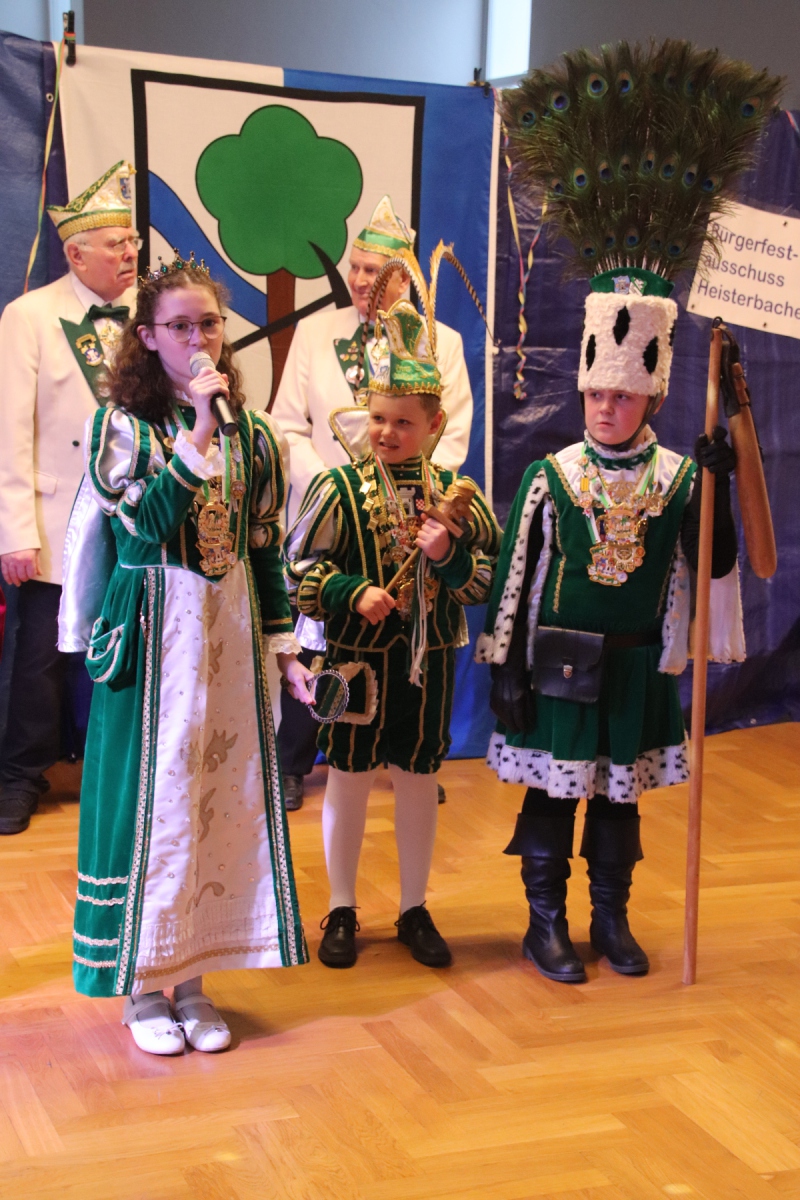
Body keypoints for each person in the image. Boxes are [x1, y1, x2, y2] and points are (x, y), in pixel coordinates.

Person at [479, 39, 778, 983]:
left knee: (619, 801)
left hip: (638, 664)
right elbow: (516, 583)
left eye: (625, 395)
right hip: (558, 664)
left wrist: (718, 483)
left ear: (652, 393)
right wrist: (506, 670)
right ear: (584, 389)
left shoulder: (680, 477)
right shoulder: (552, 475)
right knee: (551, 801)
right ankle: (545, 924)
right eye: (598, 393)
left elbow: (715, 563)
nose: (608, 407)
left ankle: (610, 919)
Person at [61, 254, 313, 1054]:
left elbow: (264, 547)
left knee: (218, 801)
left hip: (226, 635)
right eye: (180, 326)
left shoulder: (256, 435)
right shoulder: (124, 429)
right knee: (154, 802)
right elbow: (141, 530)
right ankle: (143, 990)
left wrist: (284, 649)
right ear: (147, 336)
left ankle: (196, 979)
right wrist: (198, 433)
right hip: (154, 633)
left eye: (209, 323)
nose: (199, 339)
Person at [284, 245, 500, 969]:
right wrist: (352, 592)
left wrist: (448, 556)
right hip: (354, 662)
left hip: (429, 666)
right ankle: (342, 907)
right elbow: (298, 573)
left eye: (403, 423)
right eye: (377, 419)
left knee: (417, 779)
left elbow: (484, 581)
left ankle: (412, 907)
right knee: (347, 778)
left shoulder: (457, 499)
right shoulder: (338, 489)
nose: (386, 433)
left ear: (433, 426)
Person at [272, 196, 474, 809]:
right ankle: (294, 759)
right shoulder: (315, 332)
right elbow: (287, 426)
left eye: (373, 271)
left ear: (403, 279)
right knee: (321, 631)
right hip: (333, 510)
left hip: (407, 517)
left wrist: (414, 493)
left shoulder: (445, 343)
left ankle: (413, 759)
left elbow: (451, 436)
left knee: (406, 631)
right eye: (355, 268)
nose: (360, 280)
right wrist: (335, 487)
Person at [0, 161, 139, 834]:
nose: (131, 252)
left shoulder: (153, 315)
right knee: (42, 661)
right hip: (57, 521)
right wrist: (16, 532)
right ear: (76, 254)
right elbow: (11, 430)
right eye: (116, 243)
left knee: (128, 650)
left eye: (133, 240)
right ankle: (20, 775)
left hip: (135, 517)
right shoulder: (29, 316)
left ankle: (122, 774)